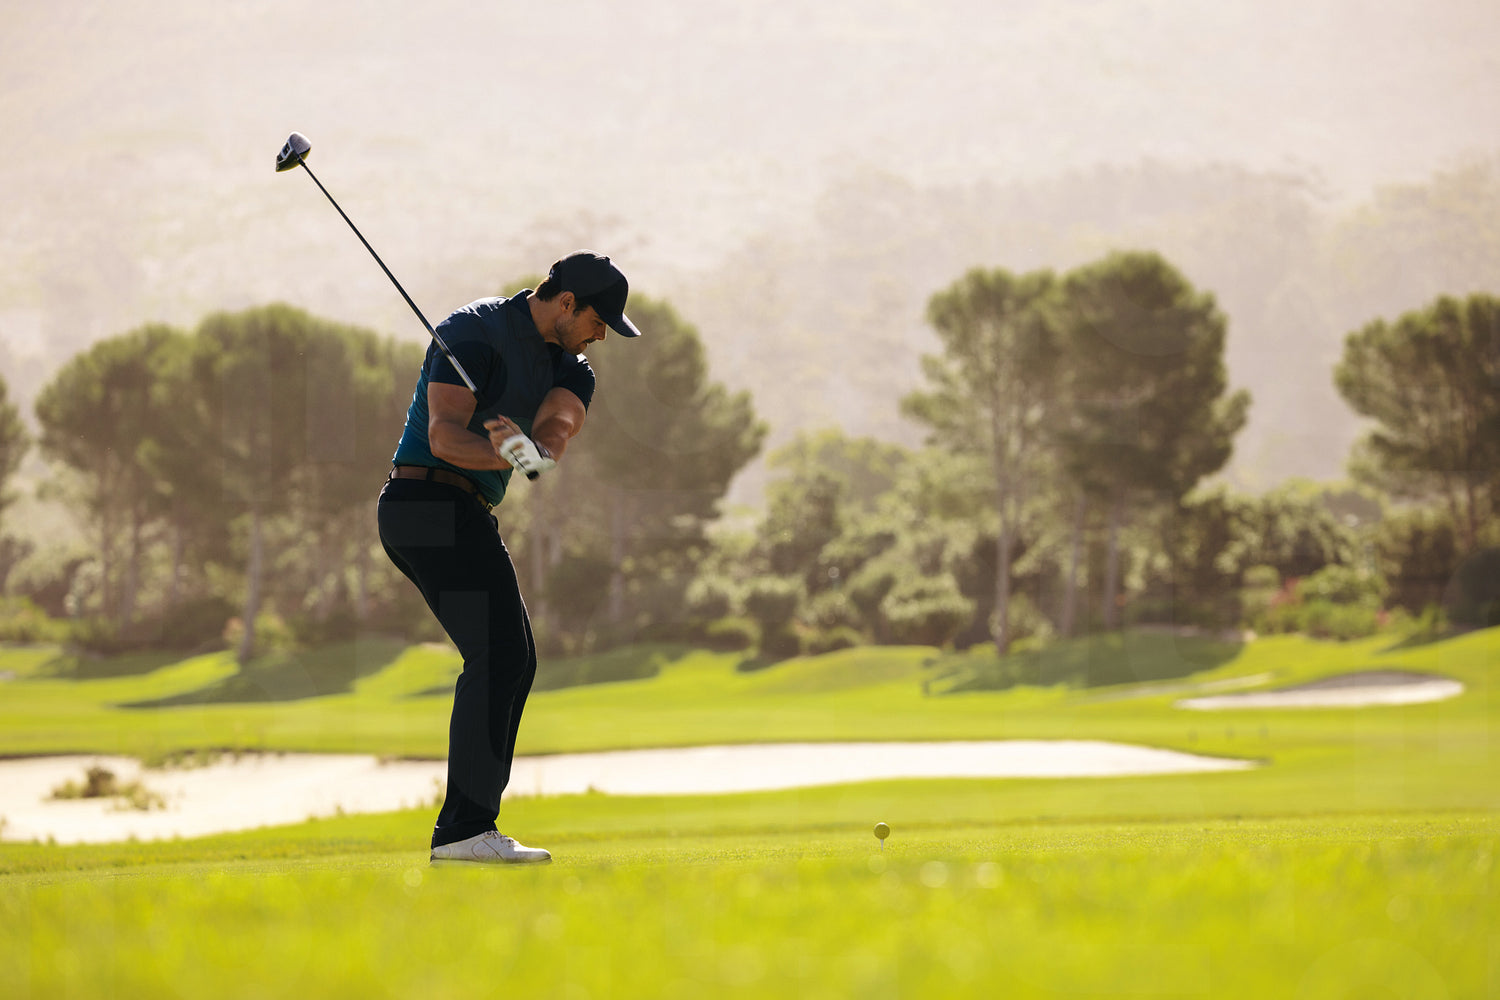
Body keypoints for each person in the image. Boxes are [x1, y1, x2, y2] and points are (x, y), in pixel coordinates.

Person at [377, 250, 641, 865]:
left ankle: (469, 827)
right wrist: (506, 454)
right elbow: (444, 436)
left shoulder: (574, 367)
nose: (602, 335)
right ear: (566, 302)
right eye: (598, 320)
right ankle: (464, 831)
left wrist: (535, 451)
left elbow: (557, 428)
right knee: (499, 655)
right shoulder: (472, 332)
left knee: (514, 659)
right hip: (423, 503)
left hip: (463, 512)